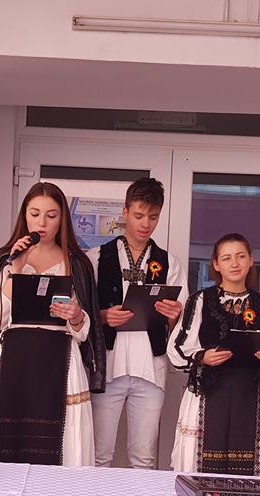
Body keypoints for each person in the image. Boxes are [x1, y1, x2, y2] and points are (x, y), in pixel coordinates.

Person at [0, 181, 105, 465]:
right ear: (24, 216)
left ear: (62, 219)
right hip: (11, 358)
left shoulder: (77, 262)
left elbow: (85, 331)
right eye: (35, 214)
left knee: (60, 444)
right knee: (5, 441)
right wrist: (15, 270)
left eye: (51, 215)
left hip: (60, 359)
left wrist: (76, 316)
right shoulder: (5, 258)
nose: (42, 223)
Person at [168, 234, 260, 475]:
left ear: (251, 260)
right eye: (226, 258)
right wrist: (203, 357)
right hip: (208, 392)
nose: (234, 263)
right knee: (201, 465)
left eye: (240, 256)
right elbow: (177, 348)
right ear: (216, 264)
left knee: (252, 467)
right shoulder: (200, 300)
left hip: (250, 392)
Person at [87, 177, 187, 469]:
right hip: (107, 367)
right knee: (99, 455)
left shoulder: (170, 263)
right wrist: (103, 316)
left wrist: (175, 316)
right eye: (139, 215)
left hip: (151, 369)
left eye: (153, 217)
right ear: (125, 212)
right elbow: (80, 313)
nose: (146, 224)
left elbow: (184, 325)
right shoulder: (96, 258)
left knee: (143, 458)